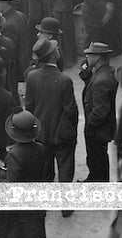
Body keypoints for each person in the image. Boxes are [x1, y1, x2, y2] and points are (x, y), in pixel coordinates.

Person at [24, 38, 78, 185]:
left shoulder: (32, 77)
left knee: (45, 172)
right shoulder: (64, 80)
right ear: (53, 54)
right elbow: (71, 111)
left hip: (41, 134)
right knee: (65, 171)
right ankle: (65, 206)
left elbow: (29, 106)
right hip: (62, 135)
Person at [80, 40, 118, 182]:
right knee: (97, 158)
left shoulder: (101, 80)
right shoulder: (106, 72)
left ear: (97, 57)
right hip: (101, 128)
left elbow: (101, 110)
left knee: (97, 158)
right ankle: (94, 178)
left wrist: (90, 125)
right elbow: (87, 80)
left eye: (90, 55)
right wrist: (87, 70)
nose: (87, 58)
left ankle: (97, 182)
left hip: (97, 129)